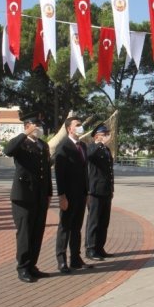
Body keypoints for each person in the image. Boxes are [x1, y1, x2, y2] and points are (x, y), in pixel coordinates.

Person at [3, 114, 52, 283]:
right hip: (23, 195)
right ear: (27, 126)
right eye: (36, 125)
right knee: (25, 232)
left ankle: (32, 265)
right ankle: (23, 267)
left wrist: (49, 193)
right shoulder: (21, 143)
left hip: (40, 195)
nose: (39, 128)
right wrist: (24, 134)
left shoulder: (43, 145)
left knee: (37, 232)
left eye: (40, 125)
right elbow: (8, 151)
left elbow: (46, 171)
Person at [54, 117, 90, 273]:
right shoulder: (63, 146)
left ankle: (75, 258)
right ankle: (61, 260)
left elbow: (85, 171)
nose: (81, 127)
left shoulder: (83, 146)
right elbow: (59, 174)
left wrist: (87, 192)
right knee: (65, 227)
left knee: (76, 227)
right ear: (70, 129)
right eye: (78, 125)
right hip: (68, 195)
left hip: (81, 194)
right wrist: (62, 196)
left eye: (81, 124)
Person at [85, 123, 115, 260]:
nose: (107, 136)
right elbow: (89, 156)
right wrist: (99, 143)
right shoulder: (92, 147)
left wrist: (111, 189)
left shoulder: (106, 150)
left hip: (106, 190)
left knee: (104, 221)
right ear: (97, 136)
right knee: (94, 221)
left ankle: (99, 247)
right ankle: (90, 248)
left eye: (108, 134)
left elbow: (110, 172)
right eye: (104, 134)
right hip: (95, 191)